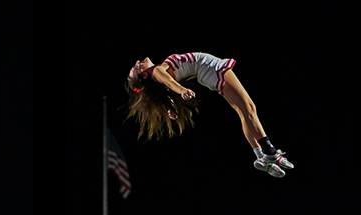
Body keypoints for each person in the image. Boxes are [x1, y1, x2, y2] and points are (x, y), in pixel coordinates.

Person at [126, 53, 295, 178]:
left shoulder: (159, 72)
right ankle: (270, 150)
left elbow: (167, 87)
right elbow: (170, 83)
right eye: (137, 67)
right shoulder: (157, 72)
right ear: (145, 75)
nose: (138, 62)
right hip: (213, 69)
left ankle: (260, 156)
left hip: (209, 73)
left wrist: (171, 105)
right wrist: (182, 90)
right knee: (249, 108)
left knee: (244, 112)